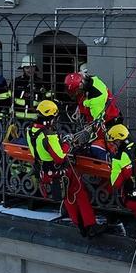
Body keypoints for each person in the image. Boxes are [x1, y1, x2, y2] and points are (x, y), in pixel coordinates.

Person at [28, 100, 101, 238]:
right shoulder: (49, 136)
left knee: (68, 197)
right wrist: (67, 143)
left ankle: (79, 224)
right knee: (79, 194)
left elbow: (41, 151)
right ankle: (90, 225)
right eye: (54, 117)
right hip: (61, 171)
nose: (55, 120)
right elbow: (60, 157)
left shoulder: (31, 131)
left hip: (46, 170)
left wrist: (59, 143)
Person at [64, 65, 122, 134]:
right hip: (106, 113)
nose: (74, 95)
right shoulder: (90, 79)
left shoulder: (95, 100)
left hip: (109, 123)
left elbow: (98, 124)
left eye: (74, 92)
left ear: (79, 88)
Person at [11, 55, 53, 123]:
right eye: (27, 68)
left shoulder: (42, 83)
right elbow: (9, 100)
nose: (30, 70)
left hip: (36, 121)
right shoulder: (16, 82)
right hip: (18, 121)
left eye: (32, 67)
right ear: (23, 68)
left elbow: (49, 101)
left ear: (35, 68)